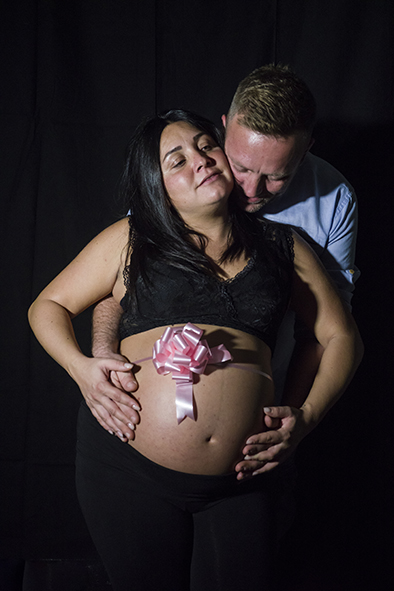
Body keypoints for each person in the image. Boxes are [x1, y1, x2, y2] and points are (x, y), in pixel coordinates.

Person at [29, 109, 363, 590]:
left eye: (206, 145)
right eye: (177, 159)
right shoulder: (131, 239)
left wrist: (305, 418)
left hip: (245, 478)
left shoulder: (286, 247)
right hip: (126, 470)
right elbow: (48, 305)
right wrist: (82, 368)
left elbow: (342, 337)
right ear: (157, 186)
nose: (201, 160)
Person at [89, 65, 360, 477]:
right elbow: (117, 287)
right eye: (243, 167)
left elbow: (325, 331)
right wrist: (102, 361)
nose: (251, 191)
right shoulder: (185, 176)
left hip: (258, 436)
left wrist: (295, 419)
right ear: (223, 130)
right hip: (134, 448)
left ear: (304, 153)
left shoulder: (333, 201)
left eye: (276, 177)